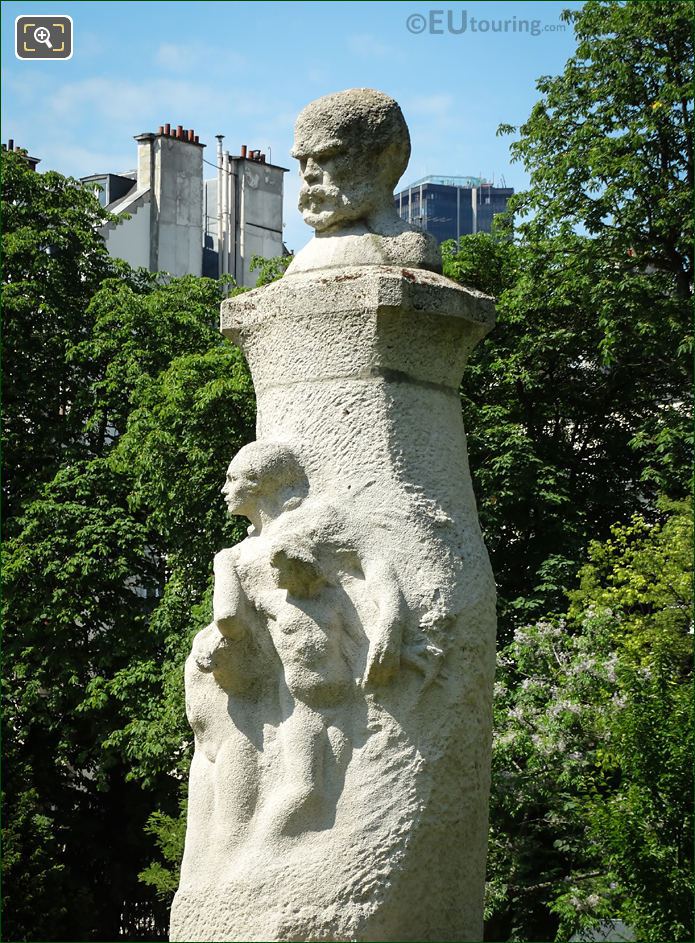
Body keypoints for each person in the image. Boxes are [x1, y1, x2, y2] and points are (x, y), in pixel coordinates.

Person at [285, 87, 441, 274]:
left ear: (388, 156)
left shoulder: (411, 250)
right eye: (302, 161)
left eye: (326, 156)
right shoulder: (302, 262)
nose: (309, 173)